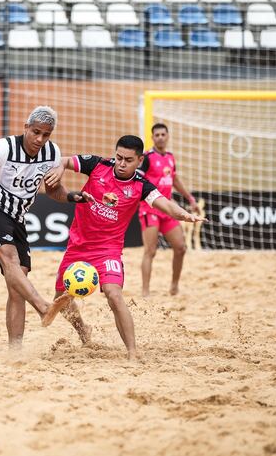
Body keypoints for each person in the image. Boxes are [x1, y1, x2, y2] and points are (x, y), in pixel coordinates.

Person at [45, 136, 206, 359]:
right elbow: (63, 161)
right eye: (118, 157)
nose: (121, 163)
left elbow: (166, 205)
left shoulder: (141, 185)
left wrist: (185, 215)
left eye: (128, 160)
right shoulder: (98, 165)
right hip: (78, 246)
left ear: (139, 160)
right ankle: (84, 332)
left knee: (114, 294)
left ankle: (132, 352)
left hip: (108, 249)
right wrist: (59, 171)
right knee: (61, 299)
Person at [0, 106, 77, 347]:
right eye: (35, 132)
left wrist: (72, 197)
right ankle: (43, 307)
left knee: (16, 287)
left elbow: (53, 191)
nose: (40, 139)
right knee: (10, 259)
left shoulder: (52, 153)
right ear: (26, 128)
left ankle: (15, 350)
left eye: (46, 134)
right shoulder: (5, 147)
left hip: (18, 219)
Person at [136, 123, 201, 296]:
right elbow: (137, 181)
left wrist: (190, 198)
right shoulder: (147, 157)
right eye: (157, 135)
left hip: (167, 208)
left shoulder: (170, 157)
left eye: (163, 134)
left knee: (180, 247)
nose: (160, 137)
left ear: (168, 136)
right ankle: (145, 292)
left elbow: (175, 180)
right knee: (150, 251)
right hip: (149, 208)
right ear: (152, 138)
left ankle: (174, 286)